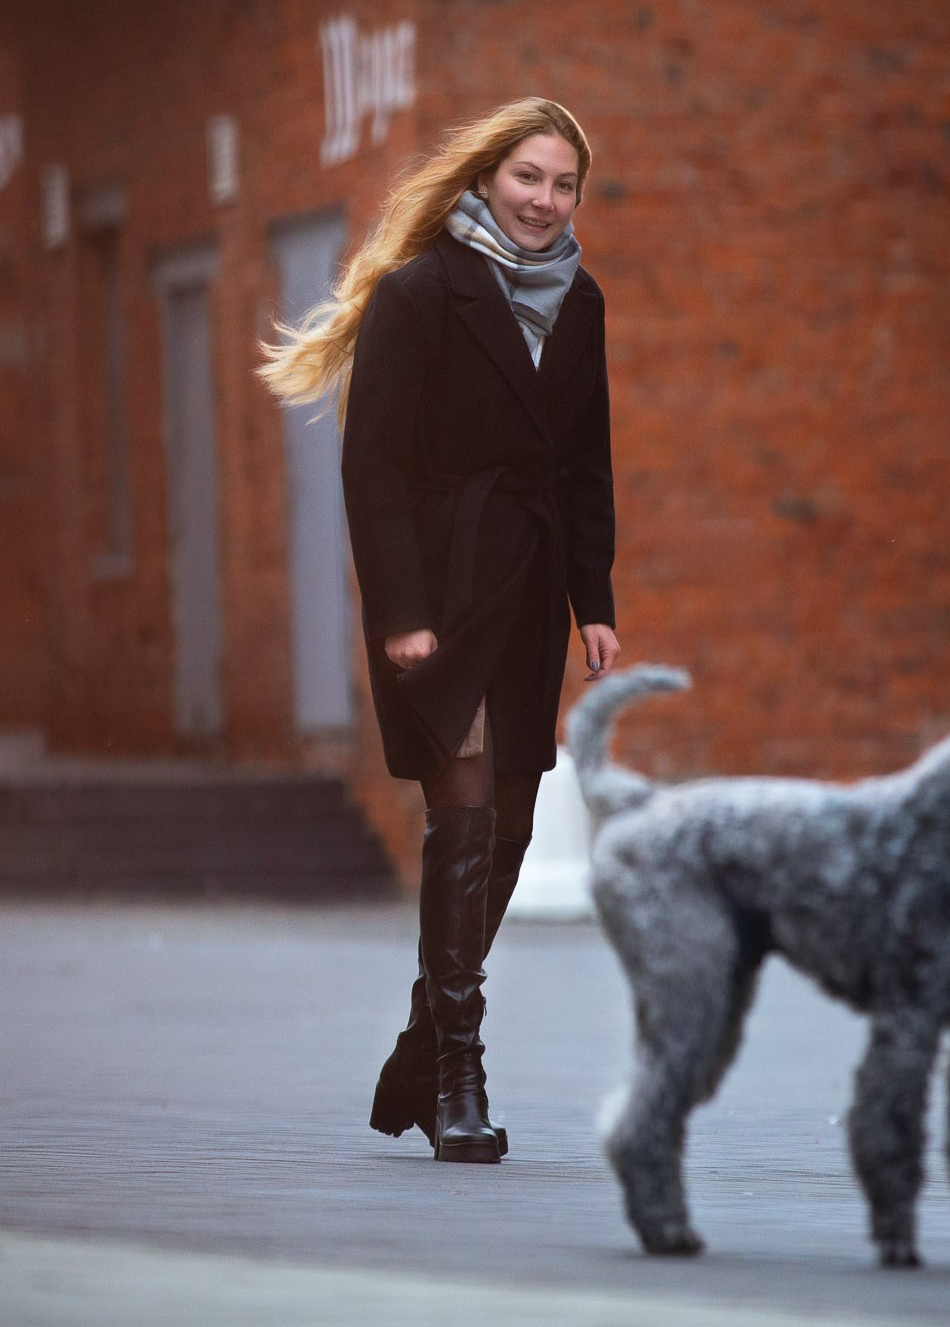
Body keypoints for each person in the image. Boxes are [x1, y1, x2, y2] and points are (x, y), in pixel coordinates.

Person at [257, 96, 620, 1164]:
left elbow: (585, 460)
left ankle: (419, 1048)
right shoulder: (419, 295)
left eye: (564, 185)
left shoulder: (583, 302)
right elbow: (373, 470)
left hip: (531, 589)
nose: (545, 202)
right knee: (460, 819)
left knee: (507, 830)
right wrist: (402, 614)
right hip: (445, 590)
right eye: (528, 178)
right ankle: (459, 1074)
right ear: (485, 178)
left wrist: (593, 600)